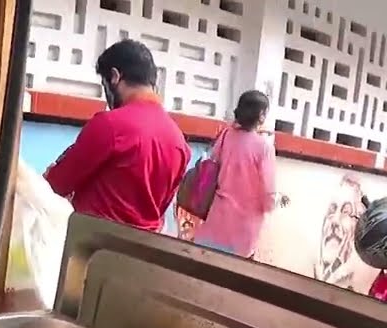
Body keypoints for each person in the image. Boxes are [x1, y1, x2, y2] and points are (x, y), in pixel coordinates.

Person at [45, 39, 190, 233]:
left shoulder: (110, 125)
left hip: (92, 247)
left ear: (114, 76)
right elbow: (161, 207)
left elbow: (56, 184)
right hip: (143, 252)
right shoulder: (179, 142)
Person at [193, 91, 286, 258]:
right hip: (244, 228)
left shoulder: (226, 135)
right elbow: (268, 193)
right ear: (261, 115)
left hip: (217, 218)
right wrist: (276, 201)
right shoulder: (264, 148)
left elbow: (212, 163)